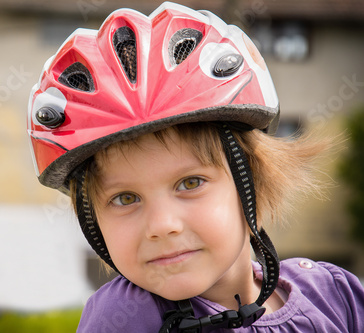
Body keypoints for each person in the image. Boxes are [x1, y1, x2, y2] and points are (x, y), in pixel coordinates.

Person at [27, 2, 364, 332]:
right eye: (125, 199)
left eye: (190, 183)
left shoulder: (334, 295)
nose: (162, 226)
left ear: (253, 184)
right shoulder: (128, 318)